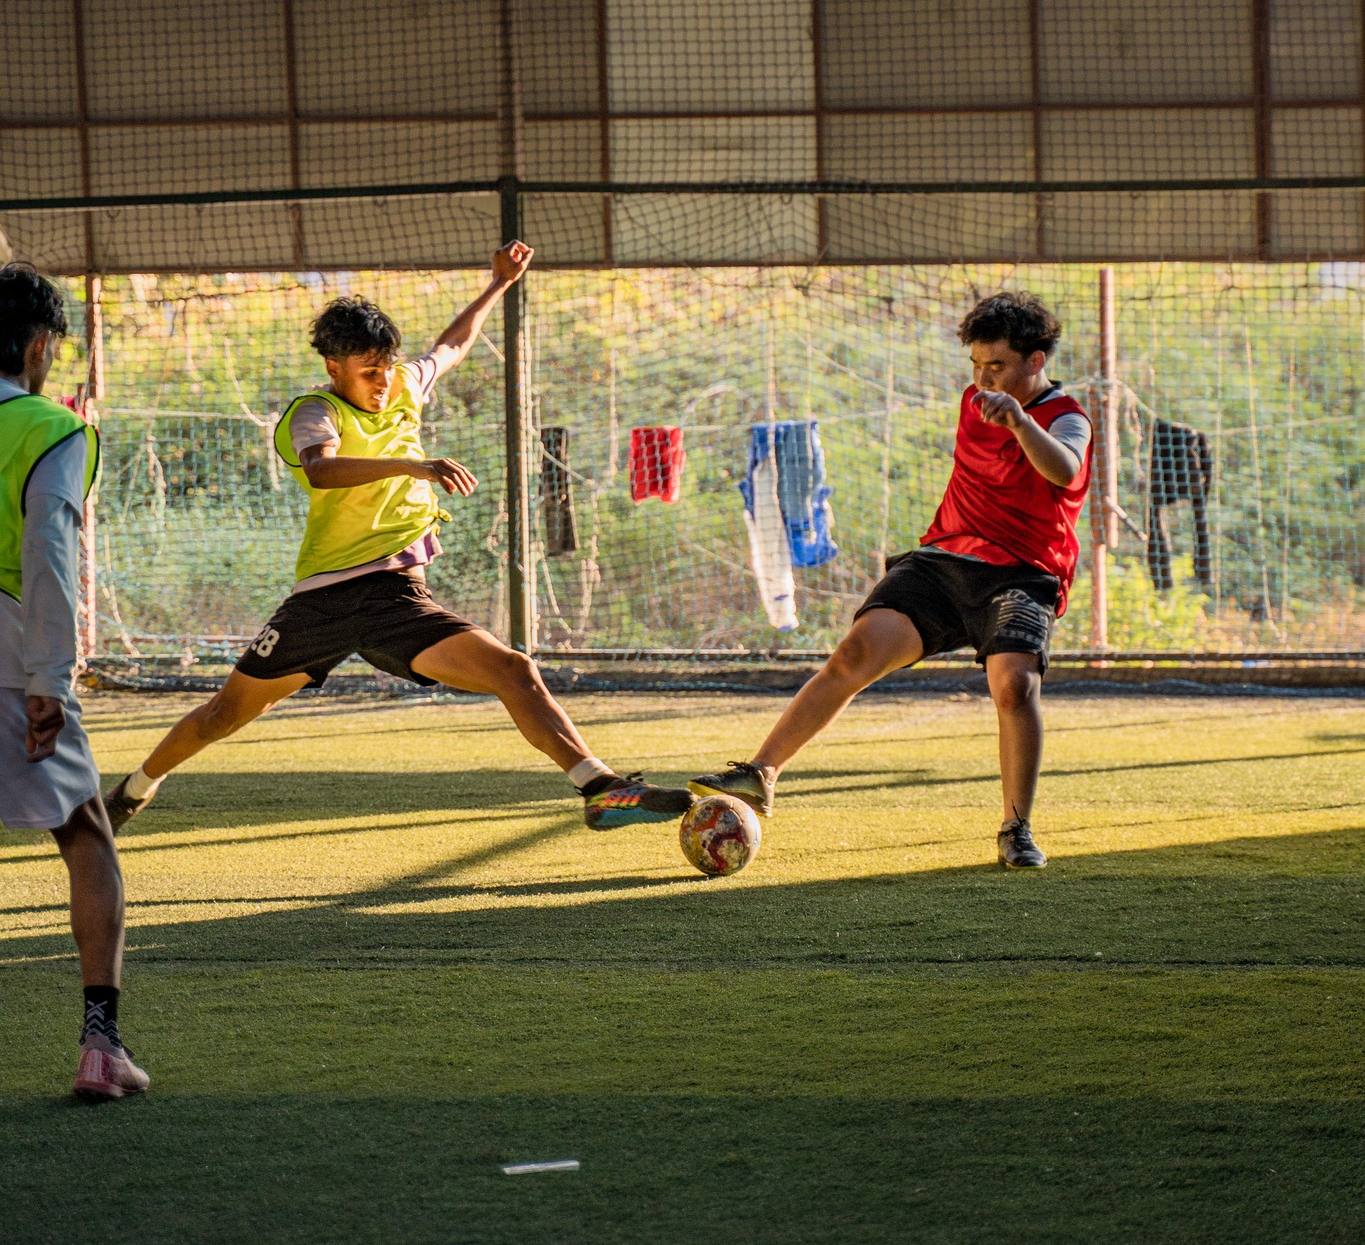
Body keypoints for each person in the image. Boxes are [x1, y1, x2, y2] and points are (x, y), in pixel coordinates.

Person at [105, 244, 689, 834]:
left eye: (386, 367)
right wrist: (415, 467)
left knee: (515, 671)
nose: (383, 382)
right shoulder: (315, 412)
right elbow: (321, 470)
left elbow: (452, 346)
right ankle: (130, 792)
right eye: (369, 372)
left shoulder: (404, 383)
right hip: (323, 603)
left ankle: (600, 789)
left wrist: (498, 284)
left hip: (398, 600)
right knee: (221, 716)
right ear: (334, 367)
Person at [690, 291, 1092, 869]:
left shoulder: (1066, 417)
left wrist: (1021, 422)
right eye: (976, 365)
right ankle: (761, 773)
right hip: (943, 561)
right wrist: (1001, 405)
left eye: (997, 366)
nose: (982, 379)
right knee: (855, 653)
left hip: (1022, 574)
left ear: (1036, 360)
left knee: (1014, 686)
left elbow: (1065, 467)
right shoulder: (976, 400)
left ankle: (1016, 828)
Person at [0, 265, 149, 1100]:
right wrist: (48, 681)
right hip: (10, 651)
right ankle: (101, 1048)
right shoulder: (49, 429)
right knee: (88, 832)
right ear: (38, 346)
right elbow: (47, 556)